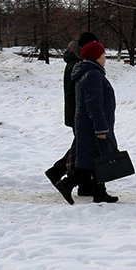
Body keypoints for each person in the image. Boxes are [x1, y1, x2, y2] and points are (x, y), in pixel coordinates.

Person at [53, 41, 120, 204]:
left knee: (95, 159)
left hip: (88, 125)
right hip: (92, 126)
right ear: (96, 57)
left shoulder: (88, 72)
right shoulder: (93, 75)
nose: (105, 59)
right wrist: (101, 128)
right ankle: (68, 184)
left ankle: (98, 192)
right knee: (96, 158)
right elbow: (94, 105)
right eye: (103, 55)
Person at [45, 31, 98, 196]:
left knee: (81, 147)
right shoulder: (77, 64)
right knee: (84, 147)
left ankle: (72, 178)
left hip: (76, 112)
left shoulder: (75, 62)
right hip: (79, 114)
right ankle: (71, 179)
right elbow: (77, 93)